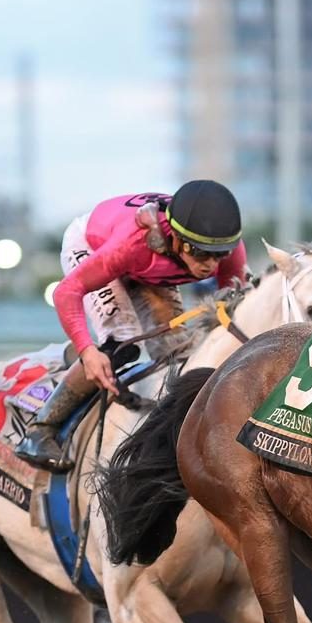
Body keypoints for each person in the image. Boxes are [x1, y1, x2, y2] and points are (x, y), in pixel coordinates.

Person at [15, 179, 246, 471]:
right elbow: (66, 292)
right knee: (123, 346)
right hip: (94, 246)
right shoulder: (131, 244)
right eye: (199, 252)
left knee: (178, 355)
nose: (210, 266)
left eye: (219, 255)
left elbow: (231, 312)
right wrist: (87, 351)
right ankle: (40, 429)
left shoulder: (230, 249)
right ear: (174, 237)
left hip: (148, 266)